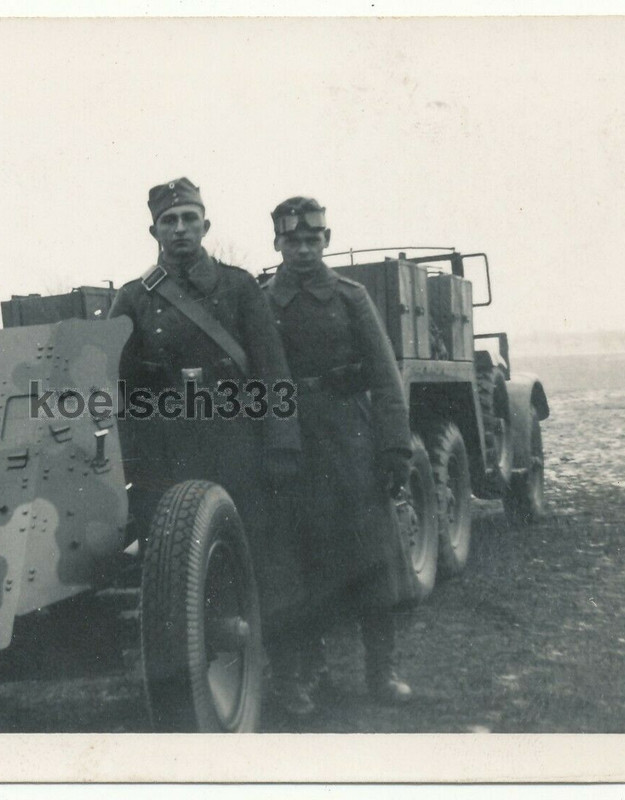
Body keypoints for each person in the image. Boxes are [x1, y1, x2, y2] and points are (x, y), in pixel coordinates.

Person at [108, 177, 300, 603]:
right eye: (169, 220)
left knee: (256, 555)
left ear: (205, 225)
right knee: (176, 571)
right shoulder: (133, 298)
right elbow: (116, 388)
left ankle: (277, 656)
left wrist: (281, 447)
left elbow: (273, 373)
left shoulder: (239, 287)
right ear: (154, 231)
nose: (180, 228)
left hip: (237, 448)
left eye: (189, 219)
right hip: (166, 456)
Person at [260, 196, 414, 716]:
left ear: (326, 240)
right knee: (299, 565)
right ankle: (308, 674)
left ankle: (382, 670)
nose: (303, 249)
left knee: (373, 558)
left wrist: (394, 447)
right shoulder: (262, 304)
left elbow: (386, 377)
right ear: (277, 243)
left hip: (352, 441)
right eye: (293, 240)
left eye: (313, 239)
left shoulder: (351, 298)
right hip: (293, 444)